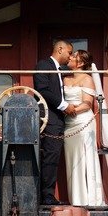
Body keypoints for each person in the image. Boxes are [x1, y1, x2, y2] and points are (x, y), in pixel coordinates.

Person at [33, 40, 76, 205]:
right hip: (49, 119)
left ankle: (47, 196)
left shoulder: (58, 69)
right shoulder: (44, 65)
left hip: (56, 120)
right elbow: (42, 90)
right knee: (50, 158)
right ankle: (47, 197)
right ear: (60, 49)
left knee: (53, 157)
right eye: (69, 53)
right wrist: (64, 106)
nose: (70, 56)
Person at [63, 50, 105, 206]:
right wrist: (65, 110)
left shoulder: (87, 79)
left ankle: (90, 199)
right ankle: (76, 199)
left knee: (85, 158)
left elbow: (87, 104)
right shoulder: (65, 79)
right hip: (68, 125)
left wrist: (70, 110)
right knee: (72, 160)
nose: (70, 58)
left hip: (83, 123)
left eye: (73, 56)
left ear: (80, 63)